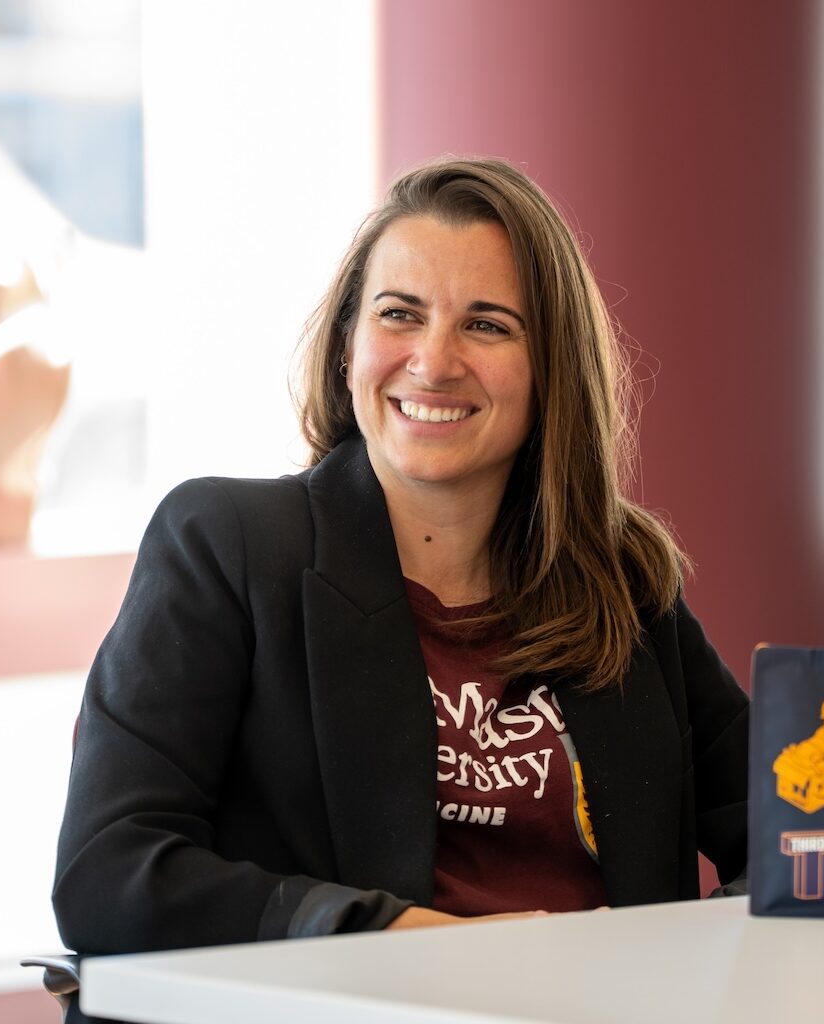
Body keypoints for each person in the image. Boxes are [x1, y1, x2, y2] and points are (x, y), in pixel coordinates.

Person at [52, 157, 749, 971]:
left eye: (487, 324)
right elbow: (109, 874)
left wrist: (694, 972)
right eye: (399, 314)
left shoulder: (618, 581)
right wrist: (409, 942)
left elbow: (796, 832)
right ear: (349, 341)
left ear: (551, 368)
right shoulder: (227, 544)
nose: (433, 360)